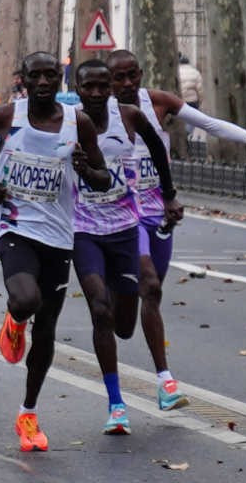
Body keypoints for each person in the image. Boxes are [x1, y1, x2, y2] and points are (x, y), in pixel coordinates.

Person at [106, 49, 246, 411]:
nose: (127, 84)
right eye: (118, 78)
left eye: (132, 75)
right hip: (123, 213)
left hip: (159, 212)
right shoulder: (97, 115)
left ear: (141, 74)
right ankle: (163, 373)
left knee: (150, 295)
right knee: (147, 288)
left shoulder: (157, 103)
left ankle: (163, 384)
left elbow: (209, 124)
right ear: (108, 82)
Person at [0, 51, 111, 452]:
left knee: (46, 328)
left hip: (60, 236)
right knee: (26, 298)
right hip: (16, 226)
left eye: (51, 75)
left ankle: (28, 413)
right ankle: (14, 317)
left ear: (60, 81)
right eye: (36, 76)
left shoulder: (77, 124)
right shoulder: (7, 116)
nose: (44, 82)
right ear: (23, 80)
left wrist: (86, 170)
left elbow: (103, 178)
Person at [72, 59, 181, 435]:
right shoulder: (66, 122)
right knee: (100, 310)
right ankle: (117, 404)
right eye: (91, 86)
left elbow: (158, 154)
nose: (99, 93)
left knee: (124, 322)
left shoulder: (131, 116)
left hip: (125, 227)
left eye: (105, 85)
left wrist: (168, 198)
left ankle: (160, 377)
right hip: (83, 230)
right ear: (78, 88)